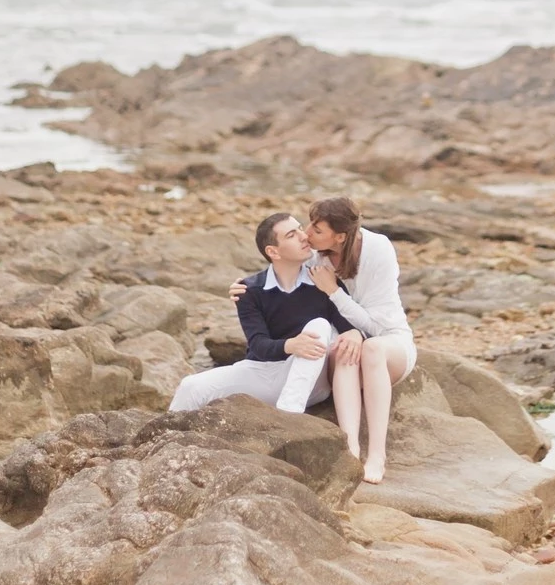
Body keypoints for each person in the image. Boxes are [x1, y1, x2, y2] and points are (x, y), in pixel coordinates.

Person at [232, 196, 415, 483]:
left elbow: (377, 326)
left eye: (316, 229)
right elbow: (280, 271)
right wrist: (243, 286)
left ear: (340, 236)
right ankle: (351, 448)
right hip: (346, 351)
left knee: (372, 348)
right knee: (343, 347)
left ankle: (377, 455)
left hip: (388, 343)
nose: (306, 233)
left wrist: (335, 293)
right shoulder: (316, 256)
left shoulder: (377, 249)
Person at [169, 211, 362, 416]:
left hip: (310, 377)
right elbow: (258, 345)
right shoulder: (249, 290)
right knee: (191, 385)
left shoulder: (323, 280)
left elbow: (347, 327)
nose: (303, 236)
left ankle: (290, 414)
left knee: (319, 325)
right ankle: (158, 440)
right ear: (274, 252)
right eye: (291, 235)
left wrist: (354, 332)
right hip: (262, 372)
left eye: (299, 228)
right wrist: (291, 345)